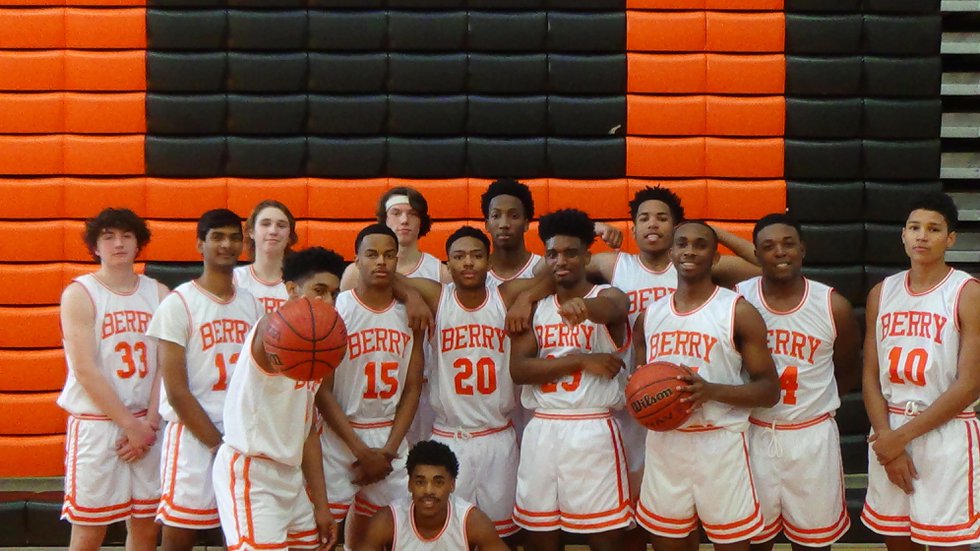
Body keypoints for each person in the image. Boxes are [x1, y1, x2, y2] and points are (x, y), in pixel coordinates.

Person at [633, 220, 779, 551]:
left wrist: (710, 391)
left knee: (731, 544)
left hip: (720, 445)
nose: (690, 250)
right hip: (665, 444)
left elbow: (770, 391)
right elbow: (638, 383)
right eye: (682, 243)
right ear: (670, 253)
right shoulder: (650, 316)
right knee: (667, 543)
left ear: (714, 257)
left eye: (700, 245)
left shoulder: (737, 311)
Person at [861, 192, 980, 549]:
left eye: (933, 229)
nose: (922, 236)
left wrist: (899, 439)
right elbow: (870, 375)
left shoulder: (967, 292)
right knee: (897, 542)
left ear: (951, 239)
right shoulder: (882, 293)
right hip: (889, 426)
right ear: (903, 235)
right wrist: (889, 440)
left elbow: (971, 384)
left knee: (949, 544)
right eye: (914, 227)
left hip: (945, 431)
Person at [509, 209, 634, 551]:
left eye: (570, 252)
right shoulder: (537, 306)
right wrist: (579, 360)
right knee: (539, 534)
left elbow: (614, 310)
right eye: (552, 254)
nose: (560, 260)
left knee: (605, 536)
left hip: (592, 428)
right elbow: (519, 370)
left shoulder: (608, 294)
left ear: (587, 256)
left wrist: (585, 309)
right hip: (543, 428)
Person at [735, 214, 860, 550]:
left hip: (811, 438)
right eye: (769, 246)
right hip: (753, 432)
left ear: (803, 249)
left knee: (814, 543)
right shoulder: (737, 301)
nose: (780, 252)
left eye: (788, 243)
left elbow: (847, 370)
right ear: (757, 254)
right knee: (752, 540)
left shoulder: (833, 306)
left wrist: (814, 404)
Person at [395, 226, 528, 540]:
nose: (468, 262)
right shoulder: (436, 295)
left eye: (476, 255)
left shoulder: (505, 295)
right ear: (448, 264)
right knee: (448, 533)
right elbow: (387, 277)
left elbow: (550, 277)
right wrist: (411, 294)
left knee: (502, 534)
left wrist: (527, 298)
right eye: (459, 256)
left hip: (497, 436)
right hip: (449, 436)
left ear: (488, 261)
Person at [212, 246, 347, 551]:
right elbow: (272, 336)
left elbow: (308, 430)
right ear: (291, 289)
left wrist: (322, 505)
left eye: (334, 294)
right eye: (319, 290)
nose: (328, 301)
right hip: (252, 472)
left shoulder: (318, 348)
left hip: (291, 475)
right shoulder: (272, 330)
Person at [147, 208, 262, 550]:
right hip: (193, 437)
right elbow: (177, 391)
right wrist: (217, 443)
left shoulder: (252, 305)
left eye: (233, 237)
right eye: (217, 237)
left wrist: (236, 440)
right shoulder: (178, 303)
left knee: (239, 535)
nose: (227, 244)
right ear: (200, 244)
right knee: (179, 536)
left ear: (243, 243)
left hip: (240, 434)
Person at [58, 208, 169, 551]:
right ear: (95, 247)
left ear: (139, 244)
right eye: (108, 237)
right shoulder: (80, 293)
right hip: (99, 425)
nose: (118, 243)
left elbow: (166, 365)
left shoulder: (160, 293)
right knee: (90, 532)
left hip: (148, 424)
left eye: (126, 236)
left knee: (147, 528)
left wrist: (148, 422)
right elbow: (84, 369)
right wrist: (130, 426)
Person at [317, 223, 426, 550]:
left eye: (389, 255)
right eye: (372, 254)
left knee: (397, 534)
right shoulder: (339, 308)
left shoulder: (411, 314)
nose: (381, 262)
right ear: (357, 261)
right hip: (340, 436)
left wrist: (389, 451)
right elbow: (322, 390)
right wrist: (360, 450)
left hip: (388, 438)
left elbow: (412, 389)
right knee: (321, 534)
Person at [356, 440, 509, 551]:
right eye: (420, 482)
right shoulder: (387, 521)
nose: (428, 490)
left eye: (438, 482)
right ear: (409, 484)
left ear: (452, 485)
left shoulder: (472, 521)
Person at [341, 186, 450, 288]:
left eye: (412, 214)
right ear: (385, 219)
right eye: (396, 213)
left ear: (421, 221)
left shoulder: (442, 274)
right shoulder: (356, 273)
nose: (404, 220)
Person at [234, 199, 299, 314]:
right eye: (265, 224)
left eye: (281, 225)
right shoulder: (235, 280)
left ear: (290, 236)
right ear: (251, 232)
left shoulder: (301, 283)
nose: (273, 231)